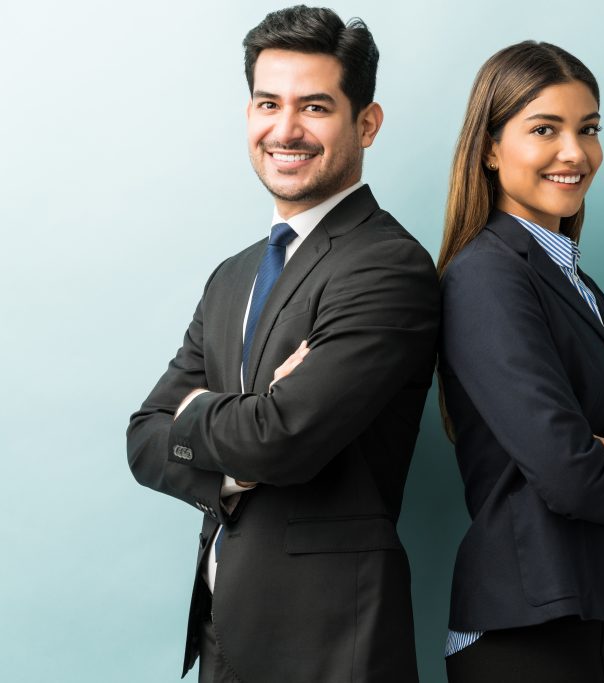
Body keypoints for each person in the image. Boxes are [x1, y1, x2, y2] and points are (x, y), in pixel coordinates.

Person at [126, 6, 438, 682]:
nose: (285, 129)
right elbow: (144, 439)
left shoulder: (388, 265)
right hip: (223, 636)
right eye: (268, 102)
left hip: (330, 645)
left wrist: (205, 414)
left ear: (367, 123)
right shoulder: (232, 275)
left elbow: (282, 439)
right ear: (249, 115)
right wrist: (240, 445)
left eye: (315, 106)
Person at [436, 41, 604, 682]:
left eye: (588, 130)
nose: (574, 152)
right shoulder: (486, 278)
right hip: (533, 627)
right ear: (490, 149)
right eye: (544, 130)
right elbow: (567, 471)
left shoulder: (573, 281)